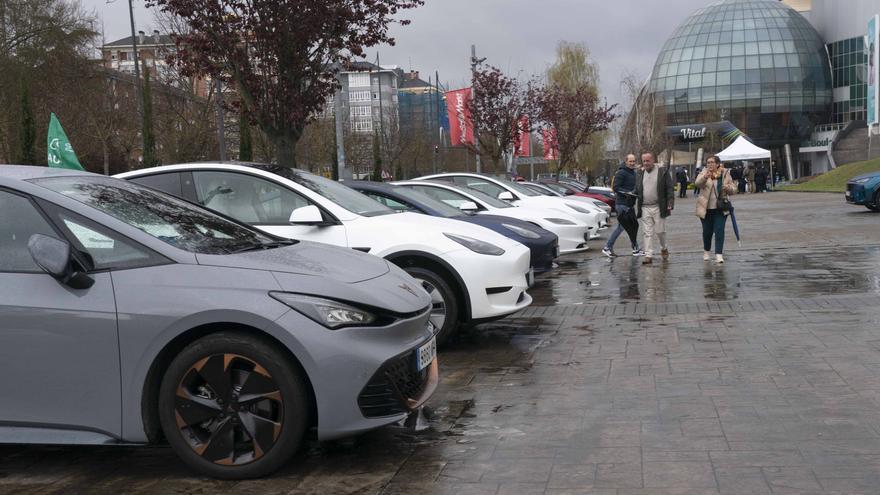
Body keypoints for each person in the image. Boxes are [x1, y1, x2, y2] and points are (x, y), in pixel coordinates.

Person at [695, 155, 738, 264]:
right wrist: (705, 177)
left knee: (719, 231)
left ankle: (719, 254)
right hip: (706, 209)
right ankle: (706, 251)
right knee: (707, 232)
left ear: (718, 163)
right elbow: (697, 183)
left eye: (712, 162)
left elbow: (734, 189)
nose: (709, 164)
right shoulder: (703, 172)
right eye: (708, 162)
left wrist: (728, 188)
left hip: (720, 208)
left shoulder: (725, 173)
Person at [635, 152, 675, 265]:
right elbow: (637, 189)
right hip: (645, 207)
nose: (646, 163)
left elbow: (669, 188)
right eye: (644, 161)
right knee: (647, 232)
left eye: (648, 160)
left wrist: (670, 202)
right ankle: (648, 255)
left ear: (653, 160)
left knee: (660, 231)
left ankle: (664, 248)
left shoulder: (662, 172)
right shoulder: (640, 173)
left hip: (659, 207)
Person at [602, 154, 644, 258]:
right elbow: (616, 188)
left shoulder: (633, 173)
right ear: (626, 162)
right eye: (630, 161)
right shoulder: (621, 173)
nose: (632, 163)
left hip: (629, 204)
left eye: (634, 161)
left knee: (632, 227)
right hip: (622, 204)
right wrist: (628, 193)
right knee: (622, 227)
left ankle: (635, 249)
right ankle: (607, 247)